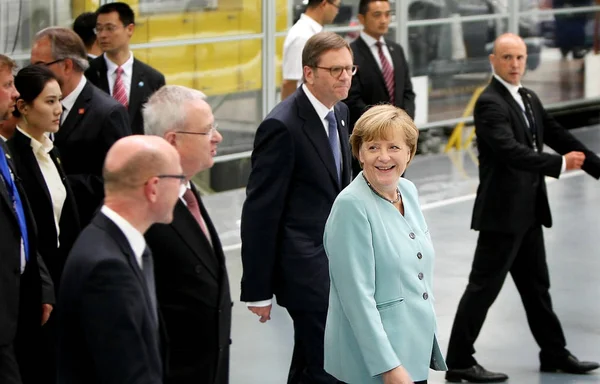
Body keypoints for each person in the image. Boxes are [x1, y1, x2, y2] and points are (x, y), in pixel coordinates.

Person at [444, 33, 600, 383]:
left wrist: (595, 166)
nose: (515, 64)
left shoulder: (527, 96)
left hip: (528, 213)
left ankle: (555, 353)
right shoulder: (490, 102)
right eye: (508, 57)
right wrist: (559, 166)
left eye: (520, 57)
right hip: (502, 215)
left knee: (536, 289)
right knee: (483, 287)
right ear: (494, 61)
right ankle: (458, 360)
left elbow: (558, 134)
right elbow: (509, 150)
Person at [240, 31, 353, 384]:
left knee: (309, 362)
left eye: (350, 69)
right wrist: (257, 288)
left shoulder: (342, 112)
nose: (345, 77)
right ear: (308, 73)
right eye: (335, 70)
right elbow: (260, 212)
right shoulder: (282, 126)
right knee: (330, 367)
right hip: (306, 270)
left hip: (337, 263)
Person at [323, 104, 446, 384]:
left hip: (412, 351)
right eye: (373, 147)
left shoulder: (408, 192)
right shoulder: (351, 206)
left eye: (394, 147)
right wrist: (388, 366)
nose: (384, 157)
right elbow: (356, 299)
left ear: (409, 153)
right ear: (359, 153)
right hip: (374, 365)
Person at [56, 135, 184, 383]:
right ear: (153, 188)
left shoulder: (115, 243)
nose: (181, 190)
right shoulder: (107, 269)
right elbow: (126, 372)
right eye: (179, 180)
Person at [144, 85, 232, 384]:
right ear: (173, 140)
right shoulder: (150, 210)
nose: (217, 137)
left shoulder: (187, 191)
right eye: (207, 130)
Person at [7, 64, 81, 384]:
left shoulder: (51, 150)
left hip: (65, 281)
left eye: (60, 100)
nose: (58, 109)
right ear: (23, 107)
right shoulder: (14, 157)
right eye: (49, 102)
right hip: (38, 291)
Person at [30, 27, 131, 226]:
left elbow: (120, 181)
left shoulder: (107, 113)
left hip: (86, 230)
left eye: (40, 66)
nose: (34, 74)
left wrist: (55, 181)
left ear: (67, 66)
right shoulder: (35, 106)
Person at [0, 54, 54, 384]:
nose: (13, 94)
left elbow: (21, 221)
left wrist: (42, 285)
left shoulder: (3, 152)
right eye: (7, 85)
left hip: (20, 300)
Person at [344, 0, 415, 178]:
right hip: (370, 142)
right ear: (361, 18)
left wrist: (403, 125)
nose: (384, 20)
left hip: (397, 141)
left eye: (387, 14)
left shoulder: (396, 50)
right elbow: (353, 100)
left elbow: (407, 92)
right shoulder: (352, 53)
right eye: (377, 15)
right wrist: (382, 126)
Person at [86, 2, 166, 135]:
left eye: (110, 28)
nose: (102, 35)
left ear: (129, 29)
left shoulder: (152, 78)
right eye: (99, 29)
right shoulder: (88, 74)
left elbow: (159, 126)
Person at [281, 0, 340, 100]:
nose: (337, 11)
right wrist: (288, 114)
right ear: (324, 4)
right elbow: (290, 82)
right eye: (336, 6)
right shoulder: (302, 36)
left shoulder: (314, 33)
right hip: (302, 108)